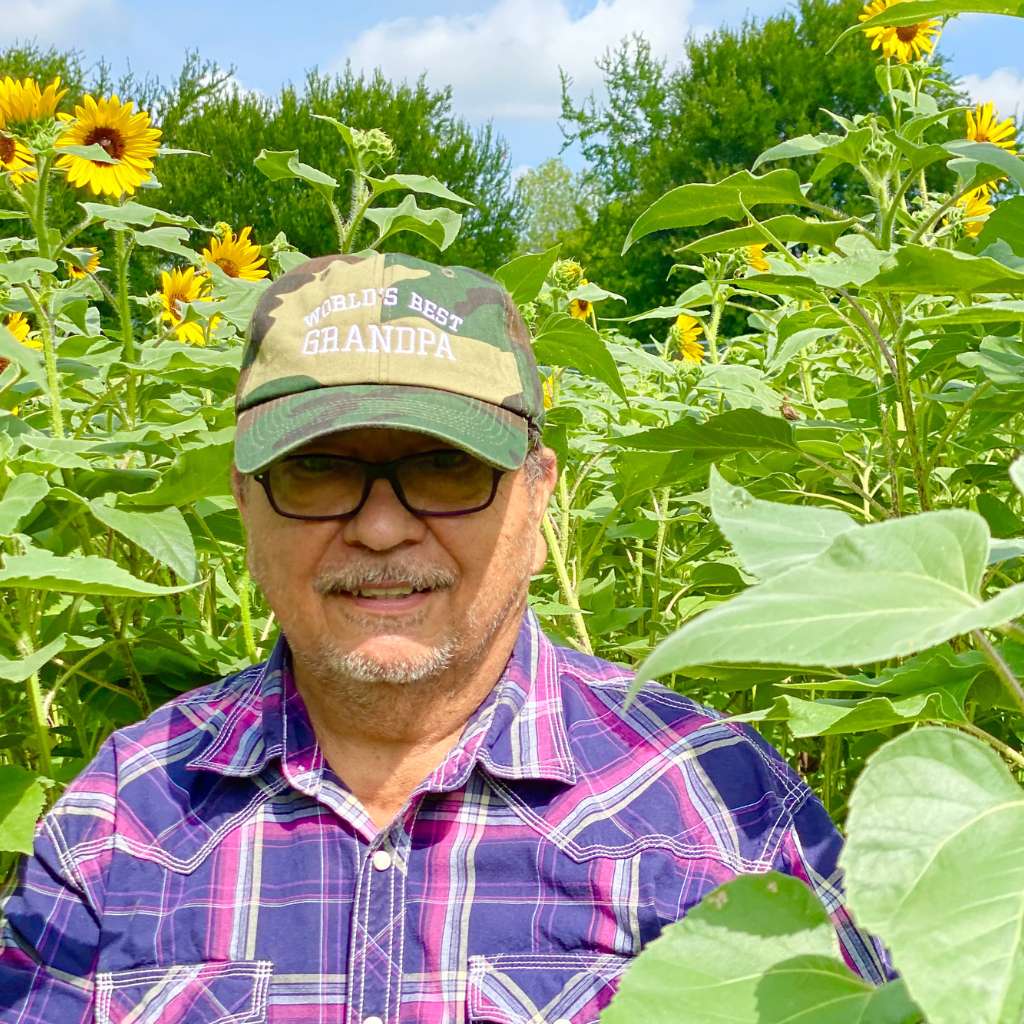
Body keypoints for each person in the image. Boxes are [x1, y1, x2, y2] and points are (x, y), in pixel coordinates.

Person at [0, 251, 887, 1024]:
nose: (381, 529)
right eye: (317, 470)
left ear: (538, 497)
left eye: (446, 465)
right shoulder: (122, 821)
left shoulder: (715, 808)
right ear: (243, 500)